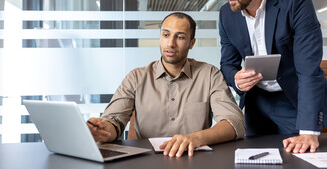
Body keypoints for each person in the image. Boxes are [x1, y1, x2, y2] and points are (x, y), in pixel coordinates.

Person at [212, 0, 327, 154]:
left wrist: (309, 131)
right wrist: (236, 78)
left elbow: (308, 69)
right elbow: (227, 64)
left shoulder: (295, 2)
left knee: (298, 158)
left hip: (293, 101)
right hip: (256, 103)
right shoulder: (227, 14)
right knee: (254, 160)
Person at [87, 12, 245, 157]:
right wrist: (104, 129)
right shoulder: (136, 77)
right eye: (166, 35)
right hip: (147, 162)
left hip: (195, 160)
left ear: (192, 43)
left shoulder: (209, 75)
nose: (171, 43)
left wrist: (196, 138)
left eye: (180, 37)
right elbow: (113, 120)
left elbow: (234, 122)